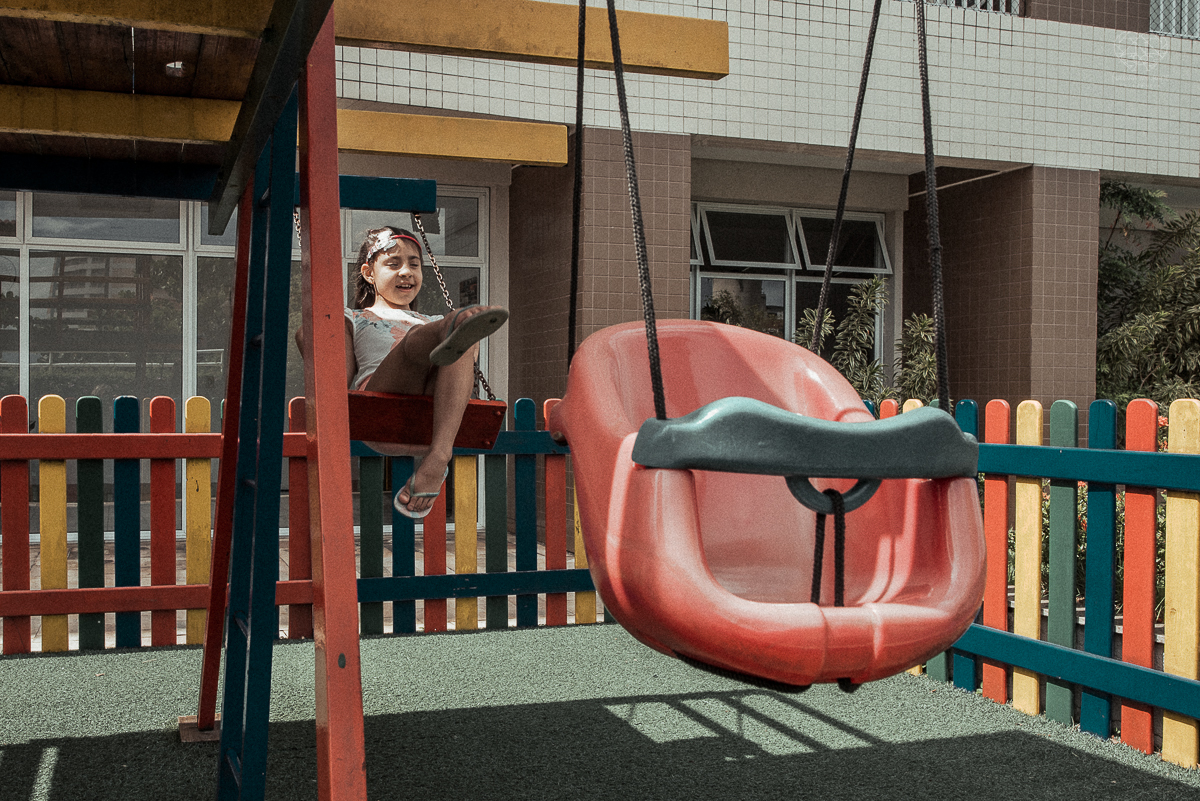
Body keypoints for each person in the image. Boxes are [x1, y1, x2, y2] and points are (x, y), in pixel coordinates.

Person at [336, 226, 507, 518]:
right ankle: (457, 327)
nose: (406, 272)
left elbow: (462, 366)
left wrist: (462, 338)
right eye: (393, 264)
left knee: (460, 339)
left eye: (414, 265)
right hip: (381, 412)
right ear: (369, 273)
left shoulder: (433, 321)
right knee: (423, 336)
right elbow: (336, 379)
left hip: (433, 419)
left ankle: (439, 456)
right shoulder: (352, 317)